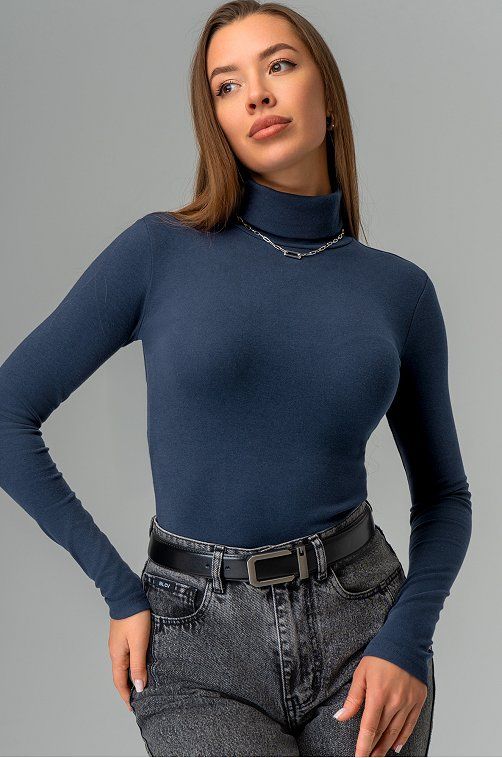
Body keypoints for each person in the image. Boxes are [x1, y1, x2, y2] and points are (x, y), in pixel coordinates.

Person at [0, 1, 472, 756]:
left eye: (278, 65)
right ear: (215, 120)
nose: (256, 94)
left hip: (364, 629)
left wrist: (408, 640)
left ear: (327, 93)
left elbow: (445, 497)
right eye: (227, 85)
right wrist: (119, 591)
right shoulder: (160, 252)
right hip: (195, 645)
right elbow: (8, 412)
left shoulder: (400, 291)